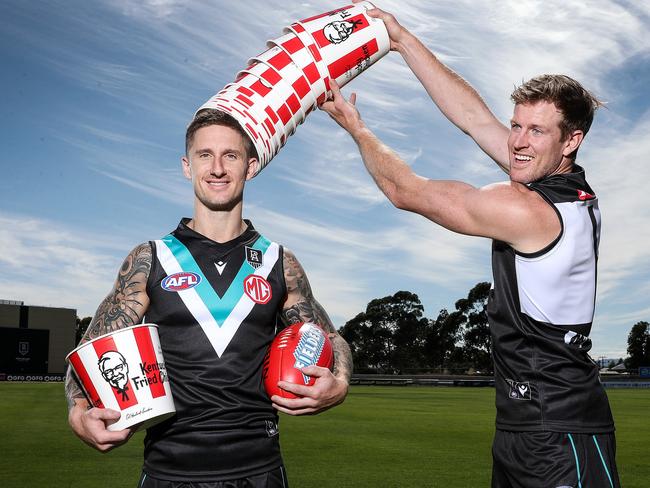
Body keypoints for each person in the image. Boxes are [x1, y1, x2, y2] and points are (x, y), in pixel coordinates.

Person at [321, 5, 619, 488]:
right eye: (516, 125)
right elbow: (473, 117)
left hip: (561, 432)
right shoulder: (560, 184)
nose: (516, 142)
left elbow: (406, 192)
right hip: (525, 428)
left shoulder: (532, 211)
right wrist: (399, 39)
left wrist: (357, 128)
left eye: (536, 130)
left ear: (572, 141)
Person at [65, 108, 353, 487]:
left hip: (259, 469)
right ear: (187, 166)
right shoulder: (149, 258)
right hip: (169, 470)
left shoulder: (279, 262)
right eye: (205, 155)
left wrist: (340, 384)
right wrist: (79, 414)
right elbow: (89, 350)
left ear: (250, 167)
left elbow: (331, 338)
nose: (217, 168)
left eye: (230, 155)